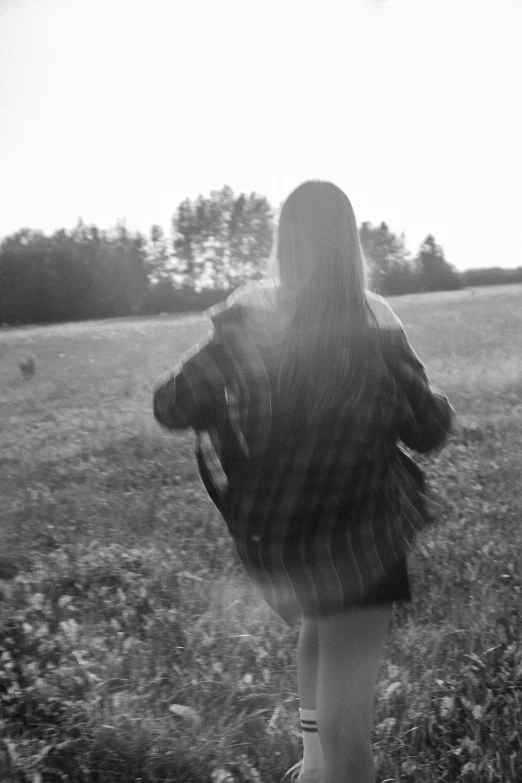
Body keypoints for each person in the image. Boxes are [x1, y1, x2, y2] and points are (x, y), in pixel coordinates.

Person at [153, 181, 454, 783]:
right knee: (352, 730)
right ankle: (335, 771)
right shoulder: (373, 321)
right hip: (361, 538)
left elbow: (171, 404)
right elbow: (427, 428)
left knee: (317, 630)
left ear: (283, 242)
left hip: (281, 538)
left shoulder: (247, 321)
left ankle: (314, 769)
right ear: (350, 244)